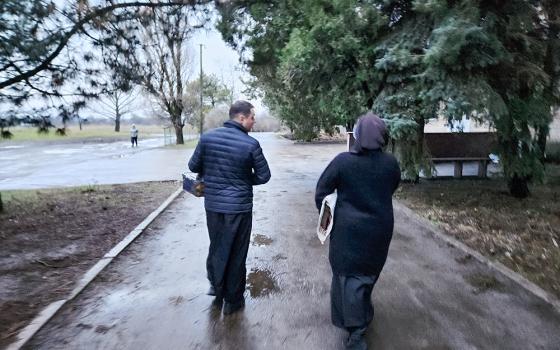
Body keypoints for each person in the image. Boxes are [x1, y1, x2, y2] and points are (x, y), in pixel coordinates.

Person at [315, 112, 400, 350]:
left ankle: (356, 334)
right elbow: (393, 185)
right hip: (380, 228)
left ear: (358, 136)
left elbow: (322, 190)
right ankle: (363, 313)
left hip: (347, 231)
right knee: (368, 274)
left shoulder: (343, 162)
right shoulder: (390, 163)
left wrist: (328, 213)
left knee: (347, 278)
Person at [188, 100, 271, 315]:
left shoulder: (207, 138)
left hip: (213, 206)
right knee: (237, 251)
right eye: (252, 117)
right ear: (241, 118)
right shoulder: (251, 144)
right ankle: (233, 301)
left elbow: (193, 166)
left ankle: (216, 288)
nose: (254, 122)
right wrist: (243, 179)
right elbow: (264, 176)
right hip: (239, 208)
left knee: (217, 245)